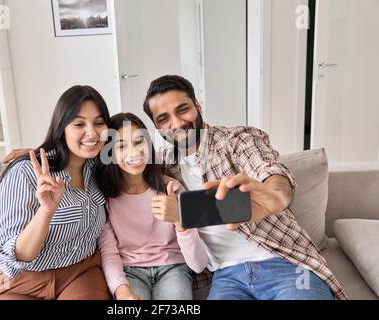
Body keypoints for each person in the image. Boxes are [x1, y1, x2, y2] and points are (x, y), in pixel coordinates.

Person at [141, 75, 347, 300]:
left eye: (183, 109)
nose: (178, 123)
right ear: (156, 127)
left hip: (285, 264)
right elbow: (118, 167)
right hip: (225, 277)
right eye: (164, 119)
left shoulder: (237, 139)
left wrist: (275, 196)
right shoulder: (163, 165)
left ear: (197, 106)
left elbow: (269, 170)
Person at [0, 85, 112, 300]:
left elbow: (140, 149)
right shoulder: (24, 172)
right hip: (23, 280)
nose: (92, 133)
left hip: (80, 272)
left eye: (99, 123)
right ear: (62, 127)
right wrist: (45, 211)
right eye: (79, 124)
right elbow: (16, 254)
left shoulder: (100, 165)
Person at [95, 113, 208, 300]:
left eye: (139, 141)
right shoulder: (105, 199)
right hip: (129, 271)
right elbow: (109, 253)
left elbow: (198, 264)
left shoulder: (171, 189)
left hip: (173, 268)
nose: (134, 152)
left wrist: (179, 220)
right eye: (121, 146)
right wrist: (121, 290)